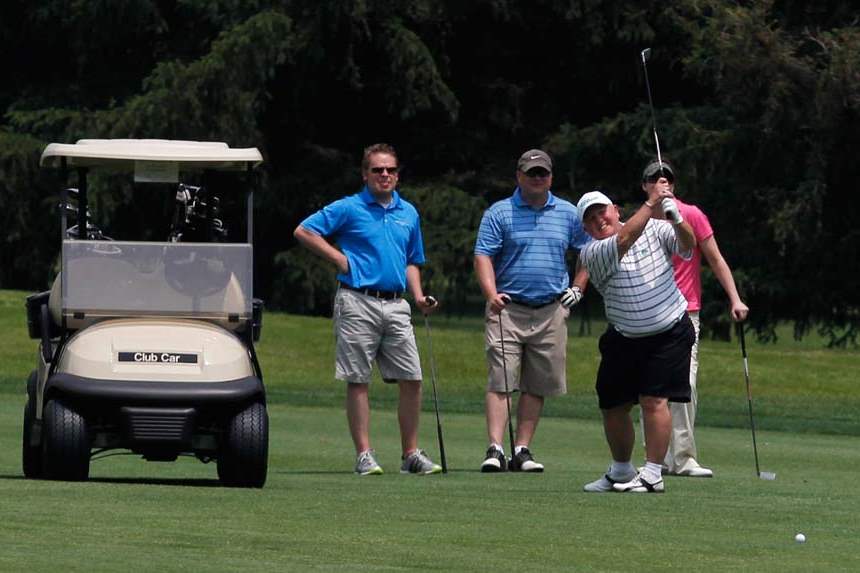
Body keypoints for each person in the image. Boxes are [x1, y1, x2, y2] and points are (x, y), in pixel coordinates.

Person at [293, 143, 442, 476]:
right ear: (365, 174)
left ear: (397, 175)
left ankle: (410, 455)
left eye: (390, 169)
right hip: (356, 300)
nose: (384, 175)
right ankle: (364, 454)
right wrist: (339, 259)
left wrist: (419, 296)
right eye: (377, 170)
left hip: (397, 303)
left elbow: (412, 261)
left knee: (412, 378)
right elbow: (304, 230)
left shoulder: (408, 212)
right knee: (358, 379)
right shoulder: (350, 207)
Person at [474, 149, 590, 473]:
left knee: (538, 384)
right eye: (531, 173)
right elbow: (483, 256)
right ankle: (495, 448)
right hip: (507, 308)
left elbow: (588, 252)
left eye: (543, 173)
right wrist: (491, 294)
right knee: (501, 379)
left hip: (552, 309)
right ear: (519, 176)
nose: (538, 178)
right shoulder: (499, 212)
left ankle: (521, 449)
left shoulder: (568, 213)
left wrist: (578, 288)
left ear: (551, 177)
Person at [577, 181, 697, 493]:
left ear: (615, 210)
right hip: (624, 335)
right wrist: (651, 202)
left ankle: (653, 474)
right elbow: (625, 238)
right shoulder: (592, 252)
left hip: (669, 331)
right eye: (590, 219)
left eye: (602, 212)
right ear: (585, 229)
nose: (598, 220)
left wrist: (676, 219)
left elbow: (688, 246)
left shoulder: (656, 228)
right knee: (612, 404)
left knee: (653, 399)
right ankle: (621, 470)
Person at [639, 159, 750, 478]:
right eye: (655, 179)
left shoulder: (692, 214)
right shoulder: (640, 220)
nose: (662, 183)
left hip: (686, 311)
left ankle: (684, 457)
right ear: (645, 186)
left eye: (667, 179)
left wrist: (735, 298)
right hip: (648, 311)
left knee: (685, 382)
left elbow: (716, 259)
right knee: (651, 387)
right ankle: (656, 459)